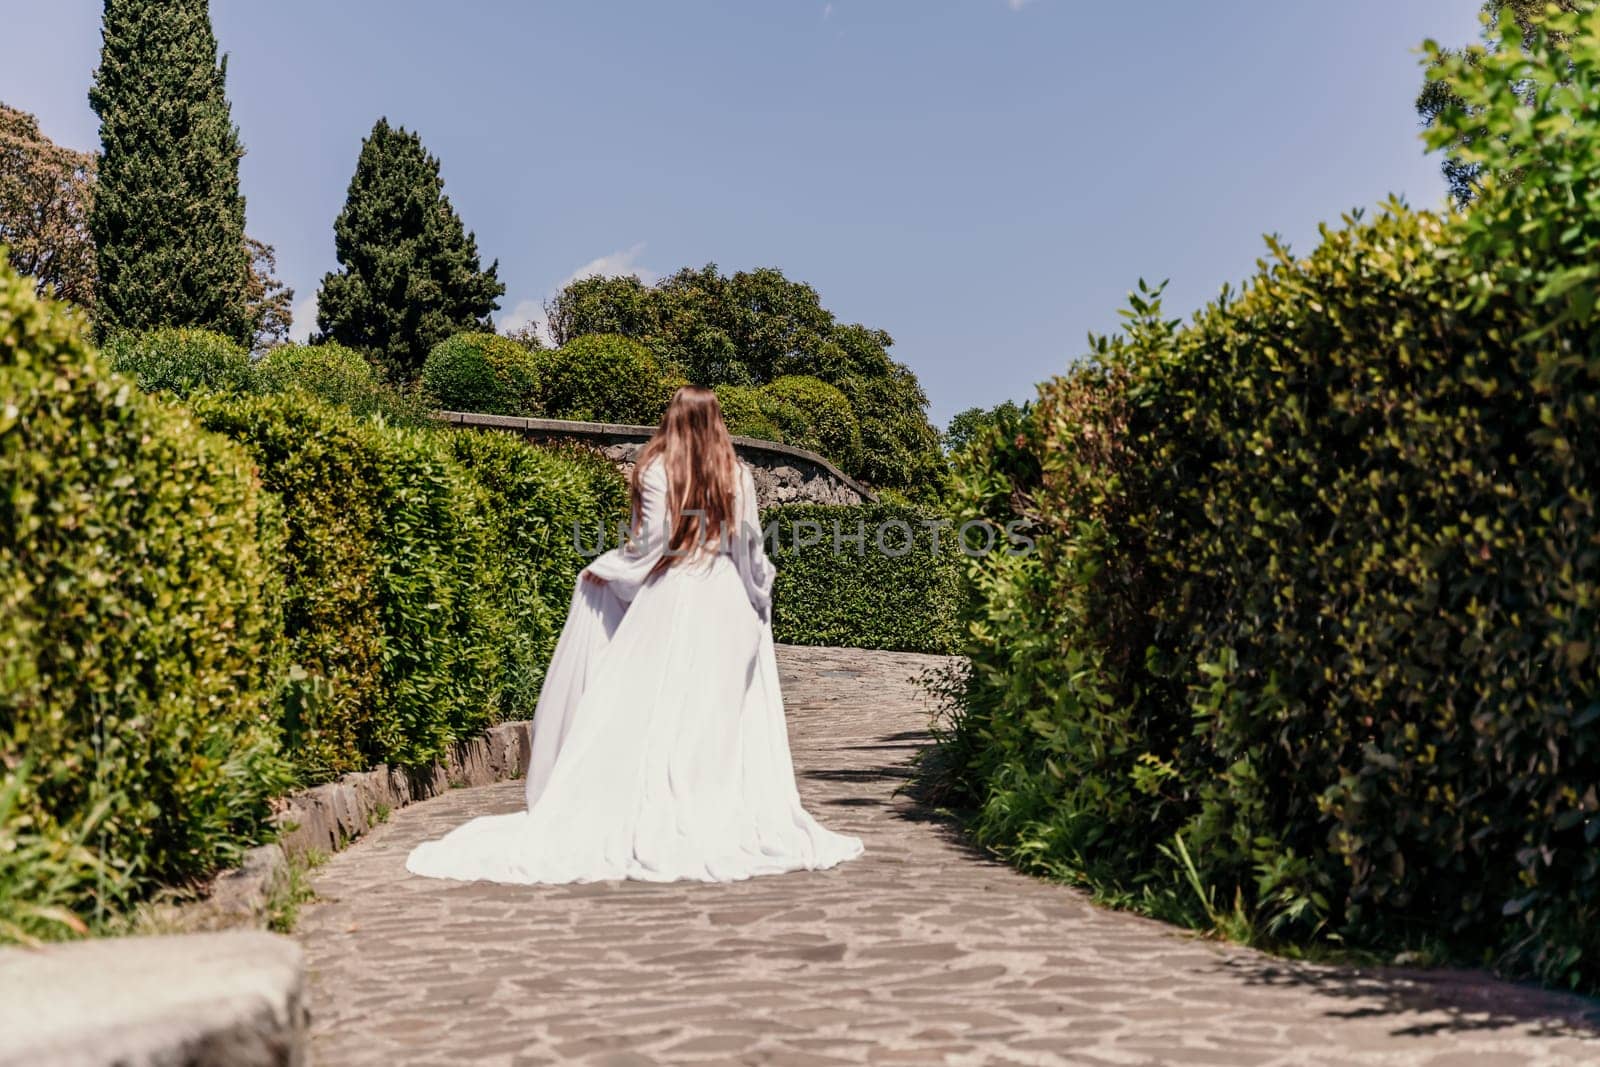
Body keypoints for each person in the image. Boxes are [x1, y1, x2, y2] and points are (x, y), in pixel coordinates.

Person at [406, 385, 864, 884]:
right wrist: (758, 600)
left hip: (673, 596)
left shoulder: (654, 470)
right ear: (717, 422)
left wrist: (606, 569)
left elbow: (652, 547)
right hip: (728, 601)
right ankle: (715, 805)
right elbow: (750, 549)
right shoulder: (739, 476)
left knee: (656, 706)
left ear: (671, 418)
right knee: (718, 717)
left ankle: (658, 802)